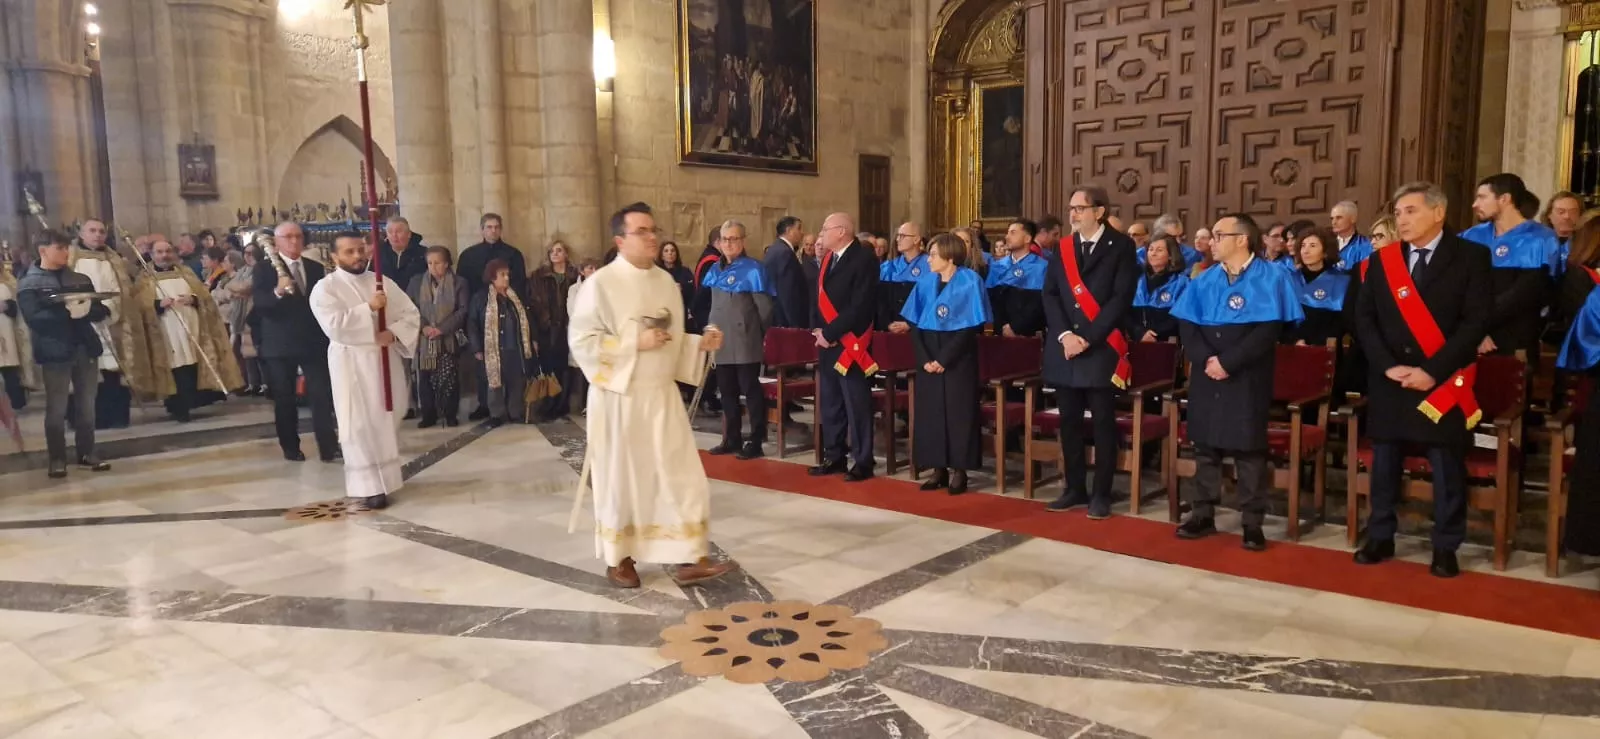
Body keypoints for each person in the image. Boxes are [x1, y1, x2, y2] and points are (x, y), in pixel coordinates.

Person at [568, 201, 736, 588]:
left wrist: (699, 344)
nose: (651, 237)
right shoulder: (601, 284)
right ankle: (620, 559)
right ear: (620, 239)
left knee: (681, 477)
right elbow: (582, 343)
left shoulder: (664, 282)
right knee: (624, 481)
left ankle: (689, 556)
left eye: (653, 230)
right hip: (620, 399)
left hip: (661, 397)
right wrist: (633, 342)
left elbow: (669, 341)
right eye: (641, 231)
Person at [1354, 181, 1493, 578]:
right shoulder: (1383, 261)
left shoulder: (1471, 257)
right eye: (1398, 213)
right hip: (1391, 380)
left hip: (1443, 380)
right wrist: (1386, 366)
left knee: (1446, 465)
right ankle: (1380, 535)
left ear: (1439, 212)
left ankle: (1446, 545)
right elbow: (1365, 320)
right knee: (1385, 463)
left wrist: (1432, 370)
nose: (1402, 219)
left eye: (1411, 211)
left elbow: (1475, 322)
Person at [1170, 213, 1303, 551]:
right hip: (1206, 371)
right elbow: (1188, 325)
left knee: (1248, 449)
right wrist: (1205, 361)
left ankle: (1251, 521)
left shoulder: (1272, 276)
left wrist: (1228, 362)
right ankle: (1202, 513)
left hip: (1247, 372)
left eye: (1218, 235)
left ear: (1242, 239)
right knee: (1204, 445)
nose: (1211, 242)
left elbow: (1269, 330)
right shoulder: (1203, 278)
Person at [1041, 185, 1142, 518]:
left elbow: (1120, 298)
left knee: (1102, 423)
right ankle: (1074, 488)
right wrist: (1067, 335)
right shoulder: (1064, 247)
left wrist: (1087, 337)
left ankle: (1101, 493)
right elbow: (1051, 295)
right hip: (1065, 348)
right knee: (1069, 421)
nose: (1073, 214)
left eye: (1080, 208)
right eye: (1071, 208)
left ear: (1099, 212)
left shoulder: (1121, 246)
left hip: (1099, 348)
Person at [310, 231, 421, 510]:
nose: (358, 256)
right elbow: (334, 325)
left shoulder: (380, 282)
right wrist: (368, 309)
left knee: (388, 415)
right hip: (351, 362)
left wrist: (393, 334)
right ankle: (368, 487)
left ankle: (388, 478)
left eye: (360, 249)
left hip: (383, 359)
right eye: (349, 251)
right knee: (358, 424)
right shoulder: (326, 288)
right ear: (334, 256)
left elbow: (410, 313)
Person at [17, 230, 113, 478]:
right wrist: (68, 313)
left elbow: (100, 310)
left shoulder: (79, 278)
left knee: (87, 405)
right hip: (54, 351)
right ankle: (57, 458)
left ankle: (87, 453)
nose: (66, 253)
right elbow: (34, 318)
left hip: (84, 346)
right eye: (60, 248)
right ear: (43, 251)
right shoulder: (29, 282)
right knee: (57, 408)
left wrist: (87, 311)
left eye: (66, 248)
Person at [903, 233, 990, 495]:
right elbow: (914, 325)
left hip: (957, 357)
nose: (928, 259)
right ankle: (937, 468)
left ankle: (959, 471)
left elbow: (971, 326)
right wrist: (925, 359)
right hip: (928, 352)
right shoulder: (924, 282)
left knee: (958, 414)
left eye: (933, 254)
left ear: (949, 256)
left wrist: (944, 359)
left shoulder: (970, 281)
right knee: (931, 415)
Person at [252, 222, 340, 462]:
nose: (293, 241)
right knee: (285, 398)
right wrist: (277, 292)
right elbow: (260, 305)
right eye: (288, 237)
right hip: (280, 345)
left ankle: (328, 446)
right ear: (277, 241)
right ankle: (291, 447)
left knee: (321, 395)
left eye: (298, 236)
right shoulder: (264, 269)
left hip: (312, 342)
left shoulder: (314, 267)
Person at [72, 218, 165, 429]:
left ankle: (115, 416)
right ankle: (88, 419)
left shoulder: (114, 260)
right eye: (92, 231)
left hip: (111, 321)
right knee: (87, 373)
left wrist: (108, 308)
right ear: (81, 234)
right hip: (82, 323)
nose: (97, 235)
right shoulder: (71, 260)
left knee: (112, 371)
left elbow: (122, 291)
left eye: (101, 231)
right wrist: (85, 309)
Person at [810, 212, 880, 481]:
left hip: (852, 345)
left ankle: (863, 461)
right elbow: (818, 298)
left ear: (841, 231)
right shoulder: (828, 259)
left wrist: (831, 332)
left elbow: (861, 306)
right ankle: (834, 456)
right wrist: (818, 330)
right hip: (827, 343)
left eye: (825, 228)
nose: (822, 233)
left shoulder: (864, 259)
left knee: (856, 404)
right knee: (831, 404)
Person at [1459, 173, 1559, 359]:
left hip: (1517, 340)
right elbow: (1457, 288)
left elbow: (1534, 294)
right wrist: (1475, 332)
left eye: (1482, 197)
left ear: (1504, 199)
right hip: (1471, 341)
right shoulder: (1470, 236)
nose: (1475, 205)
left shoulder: (1541, 239)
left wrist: (1478, 326)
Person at [143, 238, 242, 422]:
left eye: (168, 251)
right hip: (166, 330)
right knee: (176, 366)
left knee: (191, 364)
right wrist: (157, 304)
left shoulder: (186, 273)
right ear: (152, 255)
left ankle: (192, 402)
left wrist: (193, 299)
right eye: (160, 252)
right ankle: (177, 407)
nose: (165, 255)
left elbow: (205, 298)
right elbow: (140, 305)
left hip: (191, 326)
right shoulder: (145, 278)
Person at [703, 219, 772, 459]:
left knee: (750, 391)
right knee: (727, 391)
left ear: (742, 241)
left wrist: (757, 333)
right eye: (725, 239)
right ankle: (731, 438)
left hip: (745, 339)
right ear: (719, 243)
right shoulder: (714, 269)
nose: (729, 243)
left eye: (734, 239)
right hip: (722, 340)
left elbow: (764, 309)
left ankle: (756, 440)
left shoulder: (753, 268)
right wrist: (710, 330)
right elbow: (713, 305)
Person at [457, 213, 526, 420]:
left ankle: (513, 409)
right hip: (482, 313)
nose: (493, 230)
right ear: (482, 229)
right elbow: (464, 285)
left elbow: (521, 283)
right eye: (488, 227)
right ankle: (485, 406)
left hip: (508, 309)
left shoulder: (513, 254)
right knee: (484, 370)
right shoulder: (469, 255)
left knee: (513, 371)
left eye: (496, 227)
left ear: (501, 229)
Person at [408, 246, 469, 428]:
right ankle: (429, 414)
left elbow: (462, 310)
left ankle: (450, 414)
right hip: (425, 339)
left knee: (449, 377)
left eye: (437, 263)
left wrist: (442, 329)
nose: (433, 267)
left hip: (448, 338)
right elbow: (410, 309)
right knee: (425, 378)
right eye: (429, 263)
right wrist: (424, 327)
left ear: (446, 263)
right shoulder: (416, 282)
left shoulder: (459, 283)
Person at [470, 258, 537, 426]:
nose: (506, 278)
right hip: (493, 349)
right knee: (495, 382)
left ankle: (515, 412)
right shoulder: (481, 298)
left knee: (516, 380)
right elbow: (472, 323)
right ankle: (497, 415)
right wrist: (477, 347)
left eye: (507, 274)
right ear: (492, 277)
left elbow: (528, 319)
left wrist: (533, 339)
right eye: (502, 275)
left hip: (515, 347)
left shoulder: (515, 296)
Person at [528, 241, 579, 420]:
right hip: (547, 329)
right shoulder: (538, 277)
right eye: (552, 251)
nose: (555, 254)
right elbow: (533, 304)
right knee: (549, 367)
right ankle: (549, 404)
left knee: (566, 367)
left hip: (568, 328)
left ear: (566, 254)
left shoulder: (574, 276)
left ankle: (563, 404)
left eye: (559, 250)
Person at [1286, 227, 1354, 347]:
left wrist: (1317, 344)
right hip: (1291, 346)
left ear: (1325, 251)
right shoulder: (1289, 279)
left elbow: (1342, 321)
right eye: (1303, 245)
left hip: (1326, 348)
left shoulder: (1340, 281)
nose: (1305, 251)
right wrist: (1295, 339)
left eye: (1312, 246)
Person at [986, 218, 1048, 337]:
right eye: (1008, 232)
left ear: (1027, 238)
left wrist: (1015, 328)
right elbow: (991, 300)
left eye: (1013, 233)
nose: (1007, 237)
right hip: (1000, 335)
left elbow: (1040, 304)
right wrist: (1002, 326)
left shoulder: (1041, 267)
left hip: (1029, 335)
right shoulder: (997, 266)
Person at [1127, 235, 1189, 343]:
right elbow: (1125, 312)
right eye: (1150, 249)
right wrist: (1139, 333)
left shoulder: (1182, 282)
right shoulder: (1136, 280)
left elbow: (1182, 317)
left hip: (1168, 343)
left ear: (1170, 255)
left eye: (1159, 250)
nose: (1153, 253)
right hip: (1136, 340)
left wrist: (1155, 333)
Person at [878, 222, 928, 333]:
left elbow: (931, 301)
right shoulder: (888, 268)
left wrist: (911, 323)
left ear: (916, 240)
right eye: (898, 236)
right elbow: (880, 302)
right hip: (891, 330)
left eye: (903, 236)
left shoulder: (930, 266)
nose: (897, 240)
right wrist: (887, 323)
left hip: (920, 331)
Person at [762, 216, 810, 329]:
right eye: (799, 228)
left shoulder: (775, 249)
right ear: (789, 231)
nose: (802, 233)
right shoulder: (785, 253)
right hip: (785, 320)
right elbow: (788, 292)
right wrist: (795, 325)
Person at [0, 257, 35, 411]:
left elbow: (18, 309)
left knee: (10, 371)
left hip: (8, 334)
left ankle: (17, 403)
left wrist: (7, 305)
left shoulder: (9, 282)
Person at [1544, 190, 1584, 273]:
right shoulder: (1538, 243)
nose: (1567, 216)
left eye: (1573, 212)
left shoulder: (1586, 245)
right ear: (1549, 215)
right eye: (1561, 212)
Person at [1330, 201, 1374, 271]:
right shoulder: (1326, 243)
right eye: (1332, 218)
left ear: (1353, 219)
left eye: (1339, 218)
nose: (1333, 222)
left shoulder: (1366, 246)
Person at [658, 240, 695, 315]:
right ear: (662, 256)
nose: (670, 253)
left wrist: (682, 287)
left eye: (672, 250)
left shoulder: (685, 271)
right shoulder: (658, 273)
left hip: (682, 311)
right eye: (666, 251)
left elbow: (693, 290)